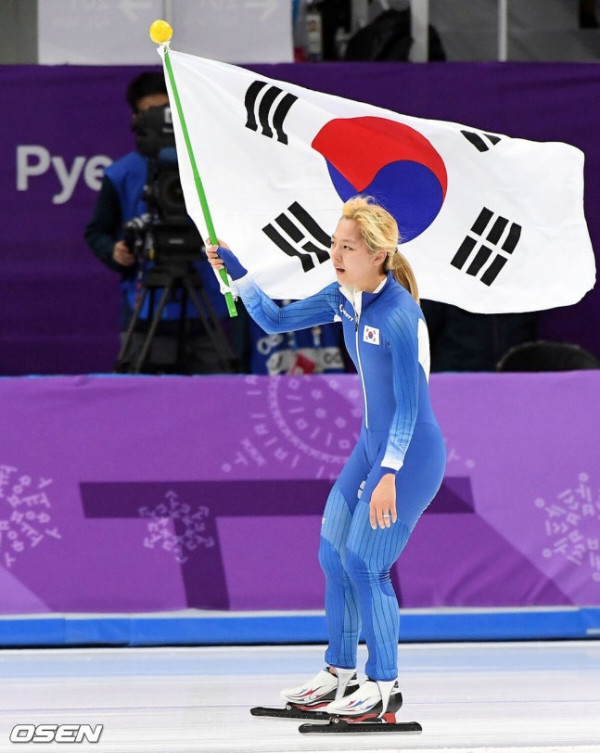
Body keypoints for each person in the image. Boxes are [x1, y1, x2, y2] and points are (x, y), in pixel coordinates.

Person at [206, 196, 446, 722]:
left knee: (366, 563)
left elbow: (408, 406)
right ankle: (339, 673)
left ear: (378, 254)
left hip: (410, 454)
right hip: (370, 446)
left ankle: (384, 687)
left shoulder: (400, 314)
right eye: (334, 244)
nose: (335, 256)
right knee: (333, 555)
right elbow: (275, 320)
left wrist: (388, 473)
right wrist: (238, 273)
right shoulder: (344, 297)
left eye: (348, 248)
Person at [85, 72, 236, 374]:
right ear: (136, 118)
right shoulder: (122, 173)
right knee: (142, 396)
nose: (162, 121)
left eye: (167, 111)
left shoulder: (210, 168)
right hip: (146, 305)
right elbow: (97, 231)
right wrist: (114, 251)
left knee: (218, 394)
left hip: (209, 302)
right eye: (151, 113)